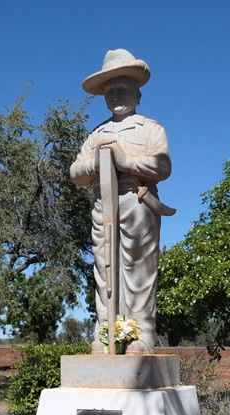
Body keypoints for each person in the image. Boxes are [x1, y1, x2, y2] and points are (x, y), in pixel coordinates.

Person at [70, 49, 172, 355]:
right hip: (103, 205)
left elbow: (163, 166)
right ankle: (107, 334)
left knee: (138, 271)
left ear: (137, 95)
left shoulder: (150, 128)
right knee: (105, 270)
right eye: (110, 91)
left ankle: (141, 336)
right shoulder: (96, 134)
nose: (116, 96)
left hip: (137, 203)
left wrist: (126, 161)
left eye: (122, 89)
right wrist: (97, 162)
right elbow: (75, 172)